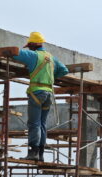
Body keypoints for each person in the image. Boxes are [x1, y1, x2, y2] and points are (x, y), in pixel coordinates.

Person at [12, 32, 69, 162]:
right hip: (49, 93)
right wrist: (51, 75)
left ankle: (33, 153)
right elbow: (64, 70)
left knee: (34, 123)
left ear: (32, 45)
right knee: (42, 123)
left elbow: (15, 53)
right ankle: (41, 154)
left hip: (37, 92)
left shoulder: (33, 55)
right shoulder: (51, 58)